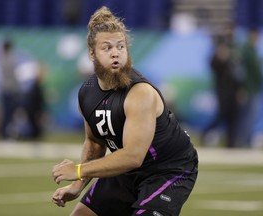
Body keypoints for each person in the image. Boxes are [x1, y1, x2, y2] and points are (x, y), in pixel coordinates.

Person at [52, 6, 198, 216]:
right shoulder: (87, 92)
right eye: (107, 48)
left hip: (168, 169)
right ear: (92, 53)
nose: (116, 53)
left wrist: (77, 171)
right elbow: (95, 143)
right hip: (127, 170)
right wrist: (77, 186)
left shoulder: (140, 93)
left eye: (121, 46)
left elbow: (132, 156)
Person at [202, 24, 240, 148]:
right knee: (222, 115)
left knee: (233, 117)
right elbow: (213, 65)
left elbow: (237, 73)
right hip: (223, 90)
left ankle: (231, 144)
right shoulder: (219, 49)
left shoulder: (234, 50)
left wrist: (240, 89)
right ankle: (206, 132)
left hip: (233, 90)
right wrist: (220, 57)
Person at [236, 28, 262, 147]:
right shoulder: (247, 51)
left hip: (252, 89)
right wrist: (242, 88)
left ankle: (244, 140)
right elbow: (242, 73)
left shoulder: (251, 50)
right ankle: (243, 141)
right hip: (248, 89)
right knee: (247, 117)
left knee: (248, 117)